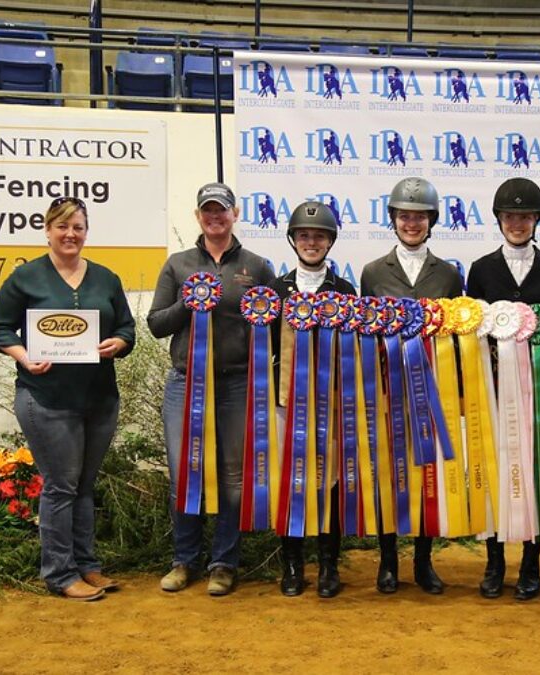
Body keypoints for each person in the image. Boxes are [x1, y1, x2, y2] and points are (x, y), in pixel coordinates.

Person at [0, 196, 135, 601]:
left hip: (100, 399)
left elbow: (127, 328)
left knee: (84, 486)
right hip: (46, 399)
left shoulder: (105, 278)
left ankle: (87, 566)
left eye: (78, 227)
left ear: (86, 232)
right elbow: (0, 328)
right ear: (48, 230)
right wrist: (24, 356)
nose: (71, 234)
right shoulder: (25, 278)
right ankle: (59, 573)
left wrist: (119, 343)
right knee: (61, 487)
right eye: (62, 226)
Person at [148, 182, 273, 596]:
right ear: (198, 216)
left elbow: (274, 325)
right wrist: (189, 302)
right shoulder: (177, 265)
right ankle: (183, 560)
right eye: (208, 210)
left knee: (234, 478)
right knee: (185, 474)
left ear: (235, 214)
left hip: (237, 384)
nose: (215, 216)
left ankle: (224, 563)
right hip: (186, 383)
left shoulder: (257, 266)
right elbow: (156, 324)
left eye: (222, 210)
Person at [466, 177, 540, 601]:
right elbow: (473, 332)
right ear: (499, 219)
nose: (517, 223)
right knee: (494, 470)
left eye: (525, 216)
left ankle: (531, 562)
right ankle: (494, 563)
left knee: (534, 467)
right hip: (493, 386)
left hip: (538, 389)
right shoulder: (481, 269)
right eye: (510, 215)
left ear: (537, 219)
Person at [360, 176, 463, 595]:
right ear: (393, 219)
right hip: (387, 388)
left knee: (427, 473)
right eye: (404, 215)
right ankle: (388, 561)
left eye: (420, 216)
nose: (412, 223)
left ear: (431, 221)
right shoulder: (372, 273)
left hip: (431, 389)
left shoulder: (449, 275)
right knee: (388, 472)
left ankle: (423, 560)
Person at [267, 200, 355, 598]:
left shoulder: (344, 291)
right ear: (293, 240)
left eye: (319, 236)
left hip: (330, 403)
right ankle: (291, 564)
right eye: (304, 235)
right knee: (291, 478)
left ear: (330, 241)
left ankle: (329, 564)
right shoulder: (275, 291)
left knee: (330, 481)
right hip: (285, 401)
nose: (311, 242)